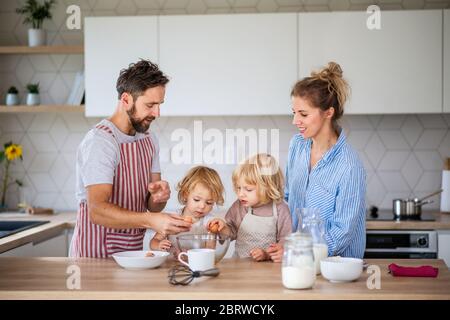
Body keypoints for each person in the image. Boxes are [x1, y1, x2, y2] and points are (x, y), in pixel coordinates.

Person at [70, 59, 191, 258]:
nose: (157, 113)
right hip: (96, 255)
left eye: (159, 105)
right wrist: (151, 220)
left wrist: (158, 197)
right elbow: (97, 210)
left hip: (131, 254)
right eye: (150, 105)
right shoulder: (101, 142)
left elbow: (152, 205)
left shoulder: (148, 139)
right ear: (126, 100)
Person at [282, 61, 366, 260]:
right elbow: (287, 200)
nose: (295, 121)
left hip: (336, 269)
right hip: (300, 263)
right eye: (294, 113)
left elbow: (342, 233)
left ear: (328, 113)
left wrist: (301, 253)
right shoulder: (297, 145)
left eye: (303, 114)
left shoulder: (349, 165)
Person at [208, 154, 292, 262]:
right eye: (238, 188)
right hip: (240, 265)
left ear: (267, 187)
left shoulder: (280, 209)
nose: (241, 194)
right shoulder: (240, 206)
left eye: (248, 189)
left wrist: (267, 254)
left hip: (269, 267)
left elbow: (285, 240)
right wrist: (223, 228)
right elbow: (231, 232)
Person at [150, 166, 225, 257]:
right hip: (172, 266)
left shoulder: (210, 222)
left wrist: (213, 233)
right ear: (186, 194)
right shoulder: (173, 218)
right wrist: (159, 245)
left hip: (197, 267)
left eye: (209, 202)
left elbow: (209, 252)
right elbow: (153, 243)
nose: (202, 206)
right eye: (197, 200)